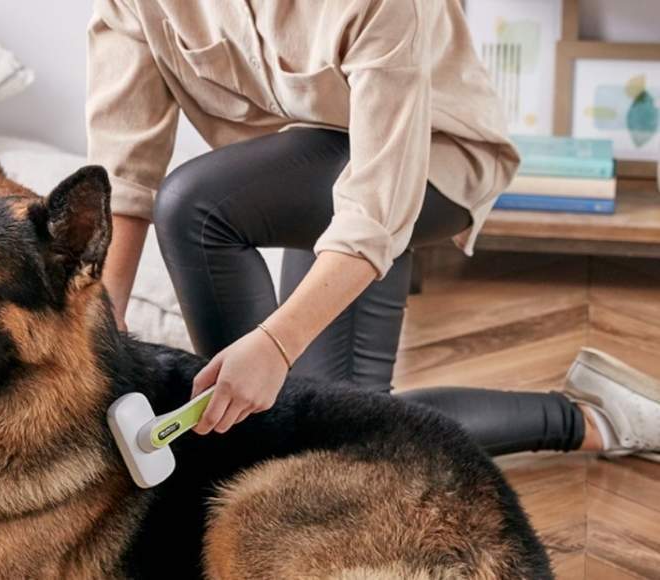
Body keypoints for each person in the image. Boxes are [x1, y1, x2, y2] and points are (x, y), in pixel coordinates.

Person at [86, 0, 660, 460]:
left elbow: (374, 213)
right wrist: (99, 327)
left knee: (195, 204)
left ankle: (257, 448)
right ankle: (596, 418)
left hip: (434, 157)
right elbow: (122, 176)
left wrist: (275, 346)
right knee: (342, 434)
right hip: (307, 157)